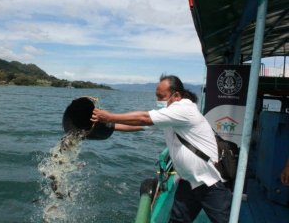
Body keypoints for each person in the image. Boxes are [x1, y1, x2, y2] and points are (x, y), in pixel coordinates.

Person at [91, 74, 232, 223]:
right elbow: (140, 125)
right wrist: (108, 126)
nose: (158, 101)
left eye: (161, 96)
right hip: (188, 181)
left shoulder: (184, 108)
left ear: (176, 95)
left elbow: (145, 118)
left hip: (209, 182)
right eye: (157, 97)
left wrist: (109, 116)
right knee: (177, 220)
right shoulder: (170, 114)